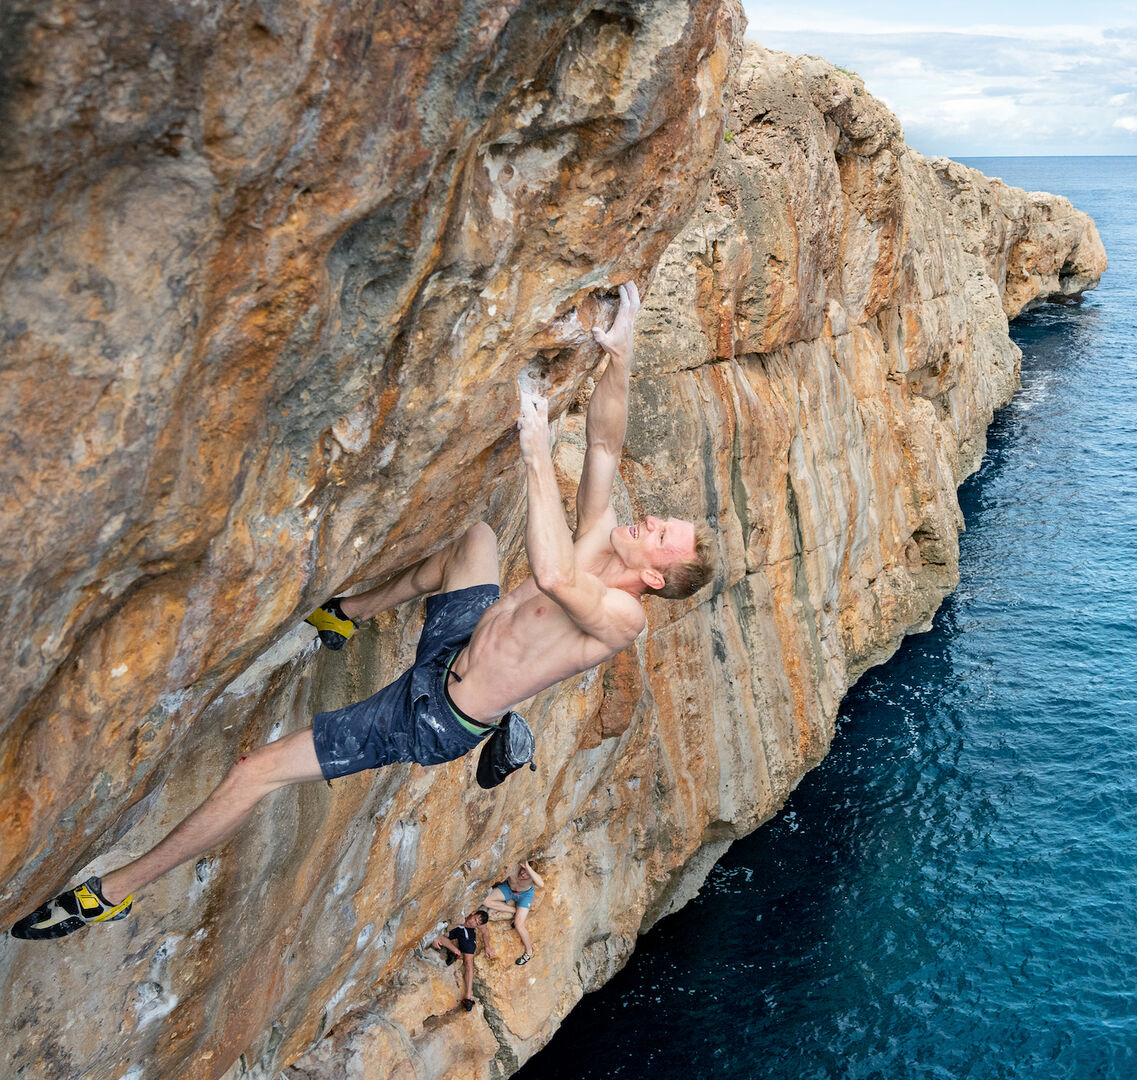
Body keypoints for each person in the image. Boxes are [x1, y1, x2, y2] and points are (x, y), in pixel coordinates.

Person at [11, 282, 718, 942]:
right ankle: (345, 612)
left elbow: (552, 573)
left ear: (654, 576)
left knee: (253, 770)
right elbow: (603, 442)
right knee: (472, 541)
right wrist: (618, 355)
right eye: (658, 517)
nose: (648, 519)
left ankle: (112, 892)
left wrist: (535, 453)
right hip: (459, 643)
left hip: (436, 714)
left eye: (661, 533)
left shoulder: (623, 620)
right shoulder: (604, 533)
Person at [429, 909, 490, 1010]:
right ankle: (455, 952)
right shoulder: (463, 914)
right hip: (456, 927)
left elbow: (486, 933)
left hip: (466, 934)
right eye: (474, 919)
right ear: (473, 913)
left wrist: (487, 946)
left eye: (476, 923)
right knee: (440, 936)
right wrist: (435, 938)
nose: (473, 923)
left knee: (468, 962)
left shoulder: (476, 926)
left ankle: (468, 998)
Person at [482, 861, 541, 965]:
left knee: (518, 925)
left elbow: (541, 883)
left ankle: (529, 952)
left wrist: (528, 868)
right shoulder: (515, 869)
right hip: (508, 888)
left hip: (524, 895)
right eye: (523, 871)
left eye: (527, 873)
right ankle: (514, 911)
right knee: (485, 900)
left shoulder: (532, 879)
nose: (523, 874)